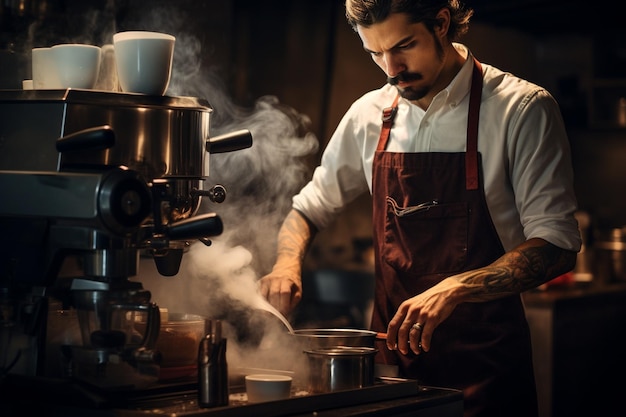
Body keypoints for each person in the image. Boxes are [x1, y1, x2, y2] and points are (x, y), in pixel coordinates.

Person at [259, 1, 582, 416]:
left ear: (441, 24)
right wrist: (286, 263)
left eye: (403, 46)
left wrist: (456, 287)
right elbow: (308, 209)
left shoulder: (521, 109)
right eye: (375, 54)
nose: (391, 68)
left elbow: (557, 245)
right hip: (391, 375)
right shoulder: (368, 115)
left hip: (485, 374)